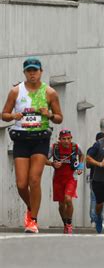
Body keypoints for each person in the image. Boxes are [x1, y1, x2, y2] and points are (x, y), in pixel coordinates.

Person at [1, 57, 63, 233]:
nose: (32, 74)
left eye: (35, 70)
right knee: (21, 184)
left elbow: (59, 118)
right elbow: (3, 114)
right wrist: (13, 116)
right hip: (21, 138)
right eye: (29, 71)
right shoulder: (16, 91)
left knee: (34, 179)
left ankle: (33, 220)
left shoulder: (50, 92)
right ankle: (31, 207)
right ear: (24, 73)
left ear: (41, 72)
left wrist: (49, 114)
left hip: (40, 139)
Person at [46, 129, 84, 234]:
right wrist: (52, 164)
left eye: (68, 139)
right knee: (61, 204)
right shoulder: (54, 148)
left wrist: (80, 166)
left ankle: (69, 223)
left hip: (71, 178)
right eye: (64, 139)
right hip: (58, 179)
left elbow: (82, 155)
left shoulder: (75, 147)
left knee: (68, 199)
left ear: (71, 138)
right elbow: (43, 159)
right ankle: (65, 223)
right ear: (59, 139)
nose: (66, 141)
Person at [86, 132, 104, 226]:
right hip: (94, 177)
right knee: (94, 199)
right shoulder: (92, 150)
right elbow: (87, 165)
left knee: (101, 200)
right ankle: (94, 219)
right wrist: (98, 162)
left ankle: (100, 219)